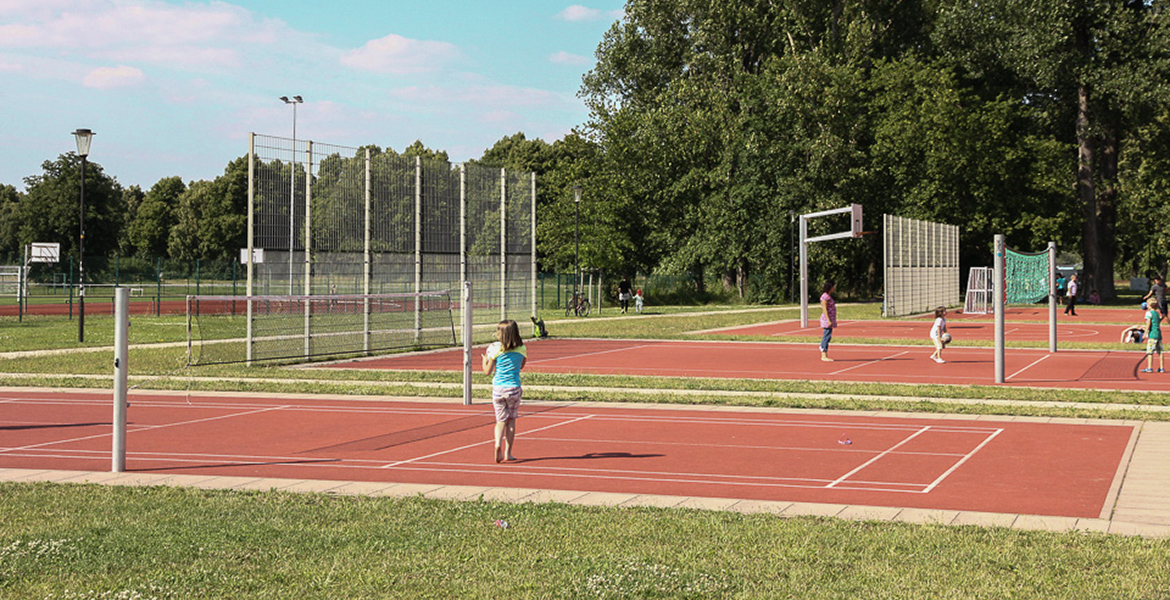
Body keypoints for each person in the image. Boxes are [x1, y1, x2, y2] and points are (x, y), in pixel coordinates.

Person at [482, 319, 527, 462]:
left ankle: (497, 444)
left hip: (498, 389)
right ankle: (508, 452)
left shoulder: (495, 350)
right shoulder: (521, 349)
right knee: (511, 420)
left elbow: (487, 371)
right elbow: (521, 366)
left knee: (500, 421)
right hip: (513, 388)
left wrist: (485, 360)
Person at [819, 280, 837, 362]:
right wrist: (828, 320)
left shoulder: (828, 296)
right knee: (826, 336)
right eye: (833, 287)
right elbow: (824, 308)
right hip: (827, 320)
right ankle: (823, 354)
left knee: (828, 336)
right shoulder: (825, 297)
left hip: (831, 319)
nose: (834, 288)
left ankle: (824, 352)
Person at [1143, 301, 1164, 373]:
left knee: (1150, 351)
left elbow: (1149, 323)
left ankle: (1149, 367)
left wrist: (1145, 333)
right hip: (1158, 334)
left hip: (1152, 334)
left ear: (1150, 306)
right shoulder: (1157, 313)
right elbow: (1157, 321)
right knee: (1160, 351)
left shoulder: (1149, 313)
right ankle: (1161, 368)